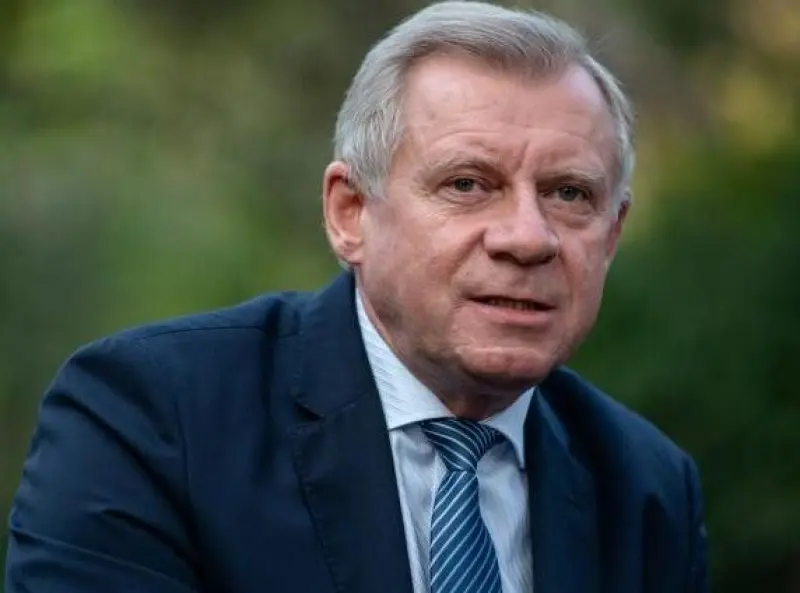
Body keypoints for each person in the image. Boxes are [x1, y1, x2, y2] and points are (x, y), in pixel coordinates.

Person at [4, 1, 708, 592]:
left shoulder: (645, 487)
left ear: (612, 234)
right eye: (467, 184)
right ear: (350, 213)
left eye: (569, 194)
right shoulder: (154, 419)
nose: (527, 237)